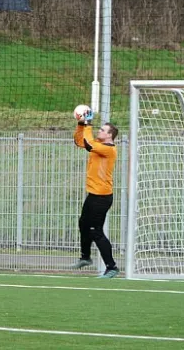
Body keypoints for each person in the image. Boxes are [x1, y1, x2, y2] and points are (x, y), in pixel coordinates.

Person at [72, 108, 120, 278]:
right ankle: (85, 257)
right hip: (93, 195)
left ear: (109, 135)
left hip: (102, 197)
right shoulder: (98, 146)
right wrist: (80, 124)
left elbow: (89, 142)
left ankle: (111, 267)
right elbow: (80, 142)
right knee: (83, 224)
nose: (99, 130)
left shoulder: (109, 149)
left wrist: (88, 123)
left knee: (95, 230)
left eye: (102, 130)